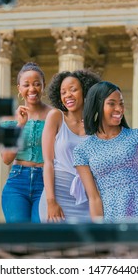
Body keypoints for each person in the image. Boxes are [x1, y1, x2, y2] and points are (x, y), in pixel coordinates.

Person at [73, 81, 138, 222]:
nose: (119, 109)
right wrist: (99, 229)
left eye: (121, 103)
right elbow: (94, 198)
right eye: (112, 103)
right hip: (112, 215)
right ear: (97, 105)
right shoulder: (82, 150)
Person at [39, 70, 101, 223]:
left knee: (88, 244)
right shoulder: (56, 117)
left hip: (89, 196)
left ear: (85, 91)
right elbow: (47, 163)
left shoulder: (97, 124)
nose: (68, 95)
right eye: (63, 92)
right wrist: (51, 201)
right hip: (58, 193)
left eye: (73, 89)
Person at [0, 62, 52, 223]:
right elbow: (6, 158)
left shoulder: (55, 116)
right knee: (18, 237)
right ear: (19, 88)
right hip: (17, 182)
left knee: (41, 234)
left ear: (43, 86)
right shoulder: (9, 120)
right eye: (26, 85)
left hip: (46, 182)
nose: (32, 89)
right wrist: (20, 125)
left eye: (37, 84)